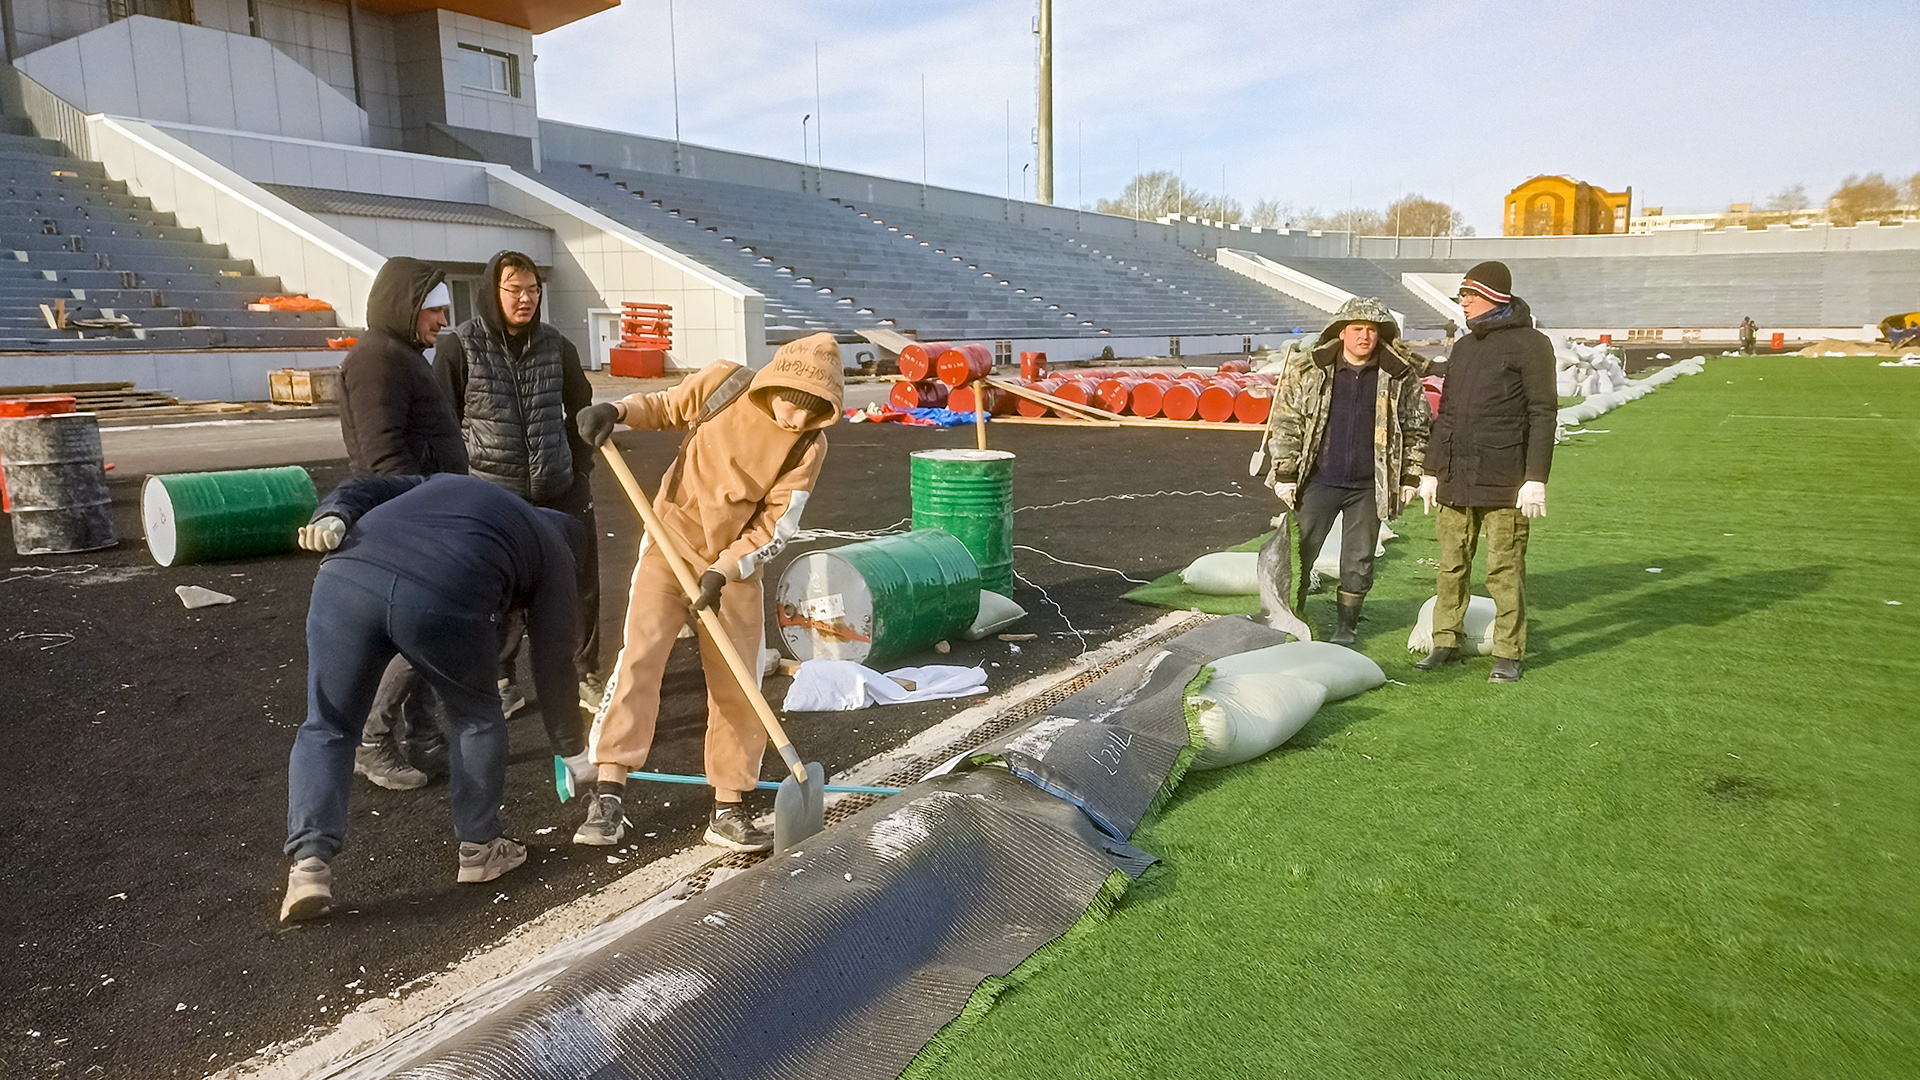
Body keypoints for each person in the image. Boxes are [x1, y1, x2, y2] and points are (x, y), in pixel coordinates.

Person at [569, 333, 843, 853]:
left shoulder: (809, 444)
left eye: (814, 414)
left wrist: (724, 570)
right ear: (774, 385)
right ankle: (607, 794)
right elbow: (665, 407)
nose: (796, 422)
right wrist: (616, 409)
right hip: (669, 543)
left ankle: (728, 807)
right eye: (792, 407)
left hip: (733, 569)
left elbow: (776, 524)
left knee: (739, 683)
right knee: (640, 661)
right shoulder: (727, 383)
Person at [280, 473, 592, 923]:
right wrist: (573, 751)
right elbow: (554, 661)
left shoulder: (450, 485)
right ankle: (481, 849)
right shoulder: (556, 551)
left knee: (327, 724)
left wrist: (332, 513)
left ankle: (308, 865)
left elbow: (363, 486)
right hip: (442, 593)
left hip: (345, 578)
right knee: (476, 715)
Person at [433, 252, 604, 715]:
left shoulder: (557, 347)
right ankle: (502, 677)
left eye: (533, 290)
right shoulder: (460, 347)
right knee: (499, 595)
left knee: (577, 589)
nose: (526, 299)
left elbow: (581, 415)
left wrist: (579, 471)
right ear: (493, 291)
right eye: (515, 290)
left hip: (559, 489)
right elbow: (442, 422)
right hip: (493, 495)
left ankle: (583, 674)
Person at [336, 256, 468, 791]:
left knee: (426, 628)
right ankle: (372, 741)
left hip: (422, 512)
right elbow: (383, 453)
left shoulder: (401, 356)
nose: (442, 321)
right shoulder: (378, 362)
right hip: (410, 520)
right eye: (433, 311)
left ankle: (422, 733)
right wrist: (419, 515)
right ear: (406, 307)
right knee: (423, 630)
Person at [1415, 262, 1555, 683]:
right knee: (1451, 565)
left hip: (1505, 480)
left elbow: (1543, 413)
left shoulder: (1532, 344)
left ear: (1495, 296)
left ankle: (1509, 652)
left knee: (1504, 569)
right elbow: (1449, 415)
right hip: (1456, 478)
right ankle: (1445, 640)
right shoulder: (1463, 347)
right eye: (1462, 295)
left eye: (1470, 295)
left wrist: (1536, 477)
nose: (1464, 302)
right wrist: (1431, 471)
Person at [1266, 297, 1431, 645]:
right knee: (1299, 550)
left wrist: (1411, 476)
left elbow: (1417, 427)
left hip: (1370, 485)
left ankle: (1347, 626)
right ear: (1342, 332)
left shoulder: (1400, 376)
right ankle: (1289, 615)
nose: (1364, 336)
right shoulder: (1309, 370)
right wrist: (1284, 474)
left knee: (1359, 558)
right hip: (1317, 480)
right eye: (1357, 329)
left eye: (1372, 330)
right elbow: (1286, 422)